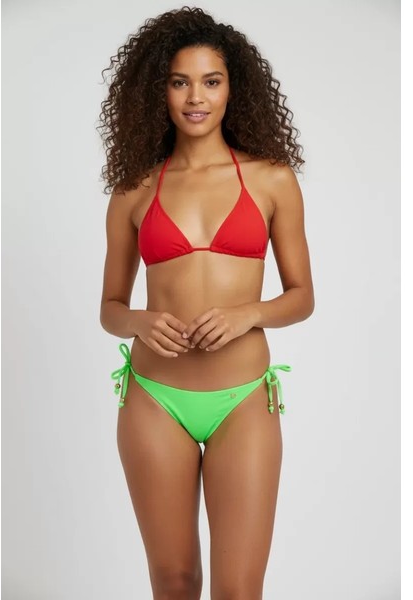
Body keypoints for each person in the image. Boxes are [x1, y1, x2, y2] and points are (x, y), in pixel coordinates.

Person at [98, 6, 314, 599]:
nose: (196, 97)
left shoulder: (271, 179)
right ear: (159, 91)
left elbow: (302, 297)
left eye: (211, 81)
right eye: (179, 81)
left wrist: (250, 313)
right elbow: (110, 307)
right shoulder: (135, 189)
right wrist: (138, 321)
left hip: (243, 399)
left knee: (238, 589)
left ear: (232, 88)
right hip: (154, 398)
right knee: (173, 582)